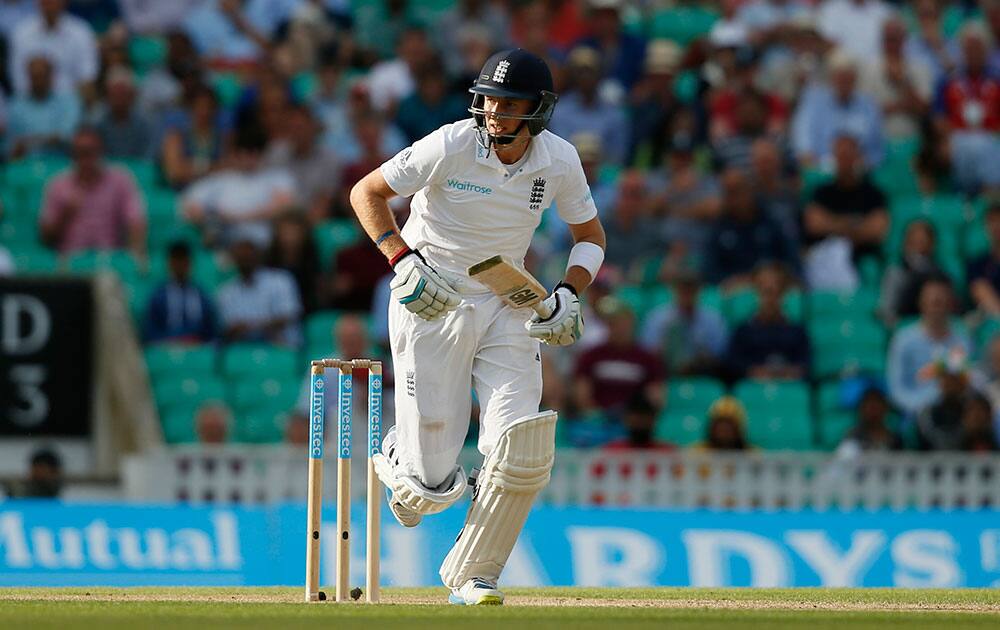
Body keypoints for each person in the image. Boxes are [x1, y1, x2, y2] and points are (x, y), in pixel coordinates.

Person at [349, 49, 606, 605]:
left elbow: (591, 236)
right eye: (489, 97)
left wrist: (568, 292)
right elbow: (365, 193)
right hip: (431, 294)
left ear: (538, 110)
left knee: (523, 444)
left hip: (508, 296)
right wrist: (402, 258)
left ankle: (476, 574)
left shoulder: (558, 160)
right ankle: (407, 461)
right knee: (431, 483)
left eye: (510, 103)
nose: (494, 111)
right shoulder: (450, 143)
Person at [181, 123, 294, 249]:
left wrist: (235, 217)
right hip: (227, 243)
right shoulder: (221, 179)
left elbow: (284, 207)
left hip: (263, 243)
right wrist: (210, 217)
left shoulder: (276, 177)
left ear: (263, 153)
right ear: (236, 153)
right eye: (246, 152)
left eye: (256, 152)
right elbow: (189, 203)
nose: (251, 158)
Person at [39, 127, 147, 259]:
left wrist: (133, 257)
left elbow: (136, 223)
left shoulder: (121, 181)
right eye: (79, 154)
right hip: (69, 265)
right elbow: (45, 238)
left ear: (101, 152)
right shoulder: (57, 185)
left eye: (90, 153)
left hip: (109, 262)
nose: (85, 160)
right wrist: (65, 215)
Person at [887, 275, 973, 419]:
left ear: (951, 304)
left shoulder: (961, 340)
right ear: (921, 303)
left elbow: (964, 381)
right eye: (933, 302)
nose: (937, 308)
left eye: (942, 302)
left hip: (954, 412)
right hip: (915, 414)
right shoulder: (903, 340)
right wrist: (926, 404)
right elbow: (896, 390)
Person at [574, 297, 666, 422]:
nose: (617, 327)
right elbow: (582, 392)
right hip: (599, 421)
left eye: (621, 321)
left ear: (631, 322)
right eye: (612, 322)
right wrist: (594, 413)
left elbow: (655, 395)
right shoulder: (592, 355)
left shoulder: (646, 358)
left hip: (633, 421)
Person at [704, 168, 796, 289]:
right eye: (728, 193)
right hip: (735, 294)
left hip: (773, 290)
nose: (733, 198)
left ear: (750, 190)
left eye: (737, 191)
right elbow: (709, 271)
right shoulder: (718, 229)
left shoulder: (772, 222)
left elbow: (792, 262)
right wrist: (731, 280)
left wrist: (776, 276)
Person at [791, 48, 884, 169]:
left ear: (855, 79)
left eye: (848, 78)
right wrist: (809, 157)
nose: (844, 83)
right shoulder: (814, 101)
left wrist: (866, 162)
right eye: (840, 78)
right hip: (821, 169)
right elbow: (802, 139)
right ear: (832, 78)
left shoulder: (868, 105)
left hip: (859, 171)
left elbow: (877, 149)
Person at [216, 228, 303, 347]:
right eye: (240, 255)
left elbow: (289, 316)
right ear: (234, 258)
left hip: (282, 347)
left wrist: (251, 327)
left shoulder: (281, 280)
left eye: (248, 253)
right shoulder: (226, 292)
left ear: (258, 255)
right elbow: (229, 328)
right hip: (244, 351)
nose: (245, 258)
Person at [726, 262, 810, 381]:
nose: (770, 298)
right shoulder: (743, 331)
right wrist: (753, 372)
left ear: (783, 294)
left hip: (788, 389)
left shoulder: (797, 331)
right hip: (754, 391)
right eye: (765, 291)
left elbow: (806, 364)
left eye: (775, 291)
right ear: (756, 293)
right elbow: (733, 364)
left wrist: (791, 372)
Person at [640, 269, 728, 377]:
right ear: (674, 290)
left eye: (691, 290)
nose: (687, 295)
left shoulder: (713, 318)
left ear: (699, 290)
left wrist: (698, 355)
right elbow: (647, 351)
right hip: (665, 371)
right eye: (683, 290)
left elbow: (720, 353)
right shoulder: (657, 317)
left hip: (702, 372)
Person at [263, 104, 340, 223]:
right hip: (279, 220)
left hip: (313, 223)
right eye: (291, 129)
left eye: (300, 128)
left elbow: (324, 202)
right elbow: (267, 194)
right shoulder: (275, 154)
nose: (296, 133)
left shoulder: (329, 159)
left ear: (312, 128)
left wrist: (302, 230)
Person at [8, 0, 98, 98]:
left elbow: (88, 77)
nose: (49, 3)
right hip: (31, 102)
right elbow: (18, 79)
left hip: (72, 102)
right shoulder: (21, 33)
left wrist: (69, 105)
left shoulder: (81, 32)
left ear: (64, 2)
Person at [6, 56, 81, 159]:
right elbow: (12, 144)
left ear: (51, 76)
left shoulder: (68, 102)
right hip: (27, 165)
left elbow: (67, 136)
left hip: (60, 163)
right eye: (34, 76)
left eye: (42, 76)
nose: (38, 81)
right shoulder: (16, 106)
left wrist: (30, 141)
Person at [144, 240, 217, 343]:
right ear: (170, 263)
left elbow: (210, 331)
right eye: (176, 260)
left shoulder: (201, 295)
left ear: (189, 263)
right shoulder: (158, 296)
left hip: (197, 349)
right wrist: (173, 341)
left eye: (183, 260)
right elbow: (151, 332)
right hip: (166, 350)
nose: (180, 265)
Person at [879, 220, 946, 327]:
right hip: (905, 327)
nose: (918, 244)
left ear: (932, 243)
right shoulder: (895, 274)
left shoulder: (940, 274)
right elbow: (887, 310)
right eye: (914, 240)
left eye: (923, 240)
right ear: (905, 243)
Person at [90, 66, 155, 160]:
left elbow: (148, 156)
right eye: (114, 94)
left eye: (122, 94)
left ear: (132, 95)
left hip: (138, 170)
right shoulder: (96, 120)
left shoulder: (145, 121)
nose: (118, 100)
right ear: (107, 95)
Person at [267, 211, 321, 314]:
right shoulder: (269, 260)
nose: (290, 238)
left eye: (294, 232)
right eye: (286, 232)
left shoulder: (313, 258)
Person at [835, 387, 902, 459]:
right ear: (861, 409)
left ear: (885, 408)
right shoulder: (853, 437)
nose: (873, 412)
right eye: (869, 407)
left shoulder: (895, 440)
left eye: (876, 406)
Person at [967, 201, 1000, 316]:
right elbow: (979, 291)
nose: (997, 225)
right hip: (990, 320)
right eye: (992, 221)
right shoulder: (977, 264)